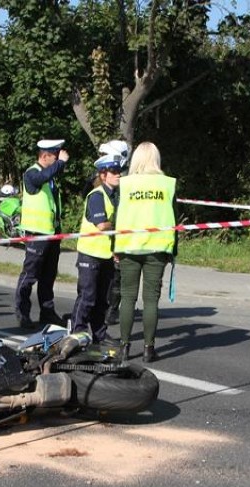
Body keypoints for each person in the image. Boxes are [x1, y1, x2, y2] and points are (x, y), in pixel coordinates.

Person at [113, 141, 177, 363]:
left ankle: (124, 347)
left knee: (128, 297)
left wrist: (116, 246)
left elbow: (117, 217)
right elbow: (175, 219)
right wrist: (172, 251)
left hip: (129, 246)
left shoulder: (126, 184)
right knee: (151, 300)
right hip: (157, 248)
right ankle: (149, 349)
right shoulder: (168, 184)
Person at [14, 139, 70, 329]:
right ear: (44, 156)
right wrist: (60, 164)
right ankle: (23, 313)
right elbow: (39, 179)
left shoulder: (50, 176)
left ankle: (47, 312)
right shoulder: (32, 173)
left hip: (51, 233)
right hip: (36, 233)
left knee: (48, 276)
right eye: (55, 156)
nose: (57, 160)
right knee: (30, 275)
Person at [70, 154, 122, 345]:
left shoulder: (113, 195)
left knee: (103, 300)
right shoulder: (97, 195)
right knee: (87, 297)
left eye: (119, 171)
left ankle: (99, 334)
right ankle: (78, 332)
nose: (118, 175)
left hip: (106, 254)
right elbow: (101, 225)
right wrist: (120, 224)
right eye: (114, 172)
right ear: (103, 174)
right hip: (90, 254)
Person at [98, 140, 130, 326]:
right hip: (102, 238)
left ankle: (112, 309)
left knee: (117, 276)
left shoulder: (124, 182)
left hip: (118, 235)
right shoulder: (104, 177)